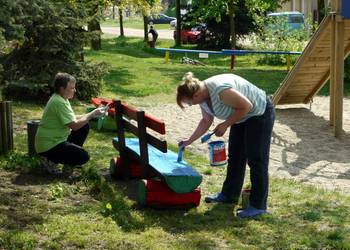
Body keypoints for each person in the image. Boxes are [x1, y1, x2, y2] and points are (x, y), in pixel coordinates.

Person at [176, 72, 275, 218]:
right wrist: (189, 140)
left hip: (259, 113)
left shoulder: (221, 91)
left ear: (196, 95)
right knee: (235, 156)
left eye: (190, 103)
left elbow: (247, 106)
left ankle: (258, 206)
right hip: (241, 116)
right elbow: (206, 120)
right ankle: (229, 194)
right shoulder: (202, 96)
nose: (191, 105)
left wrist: (225, 124)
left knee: (256, 159)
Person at [35, 72, 105, 176]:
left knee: (84, 126)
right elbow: (74, 125)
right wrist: (92, 114)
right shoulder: (58, 102)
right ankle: (49, 160)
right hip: (49, 146)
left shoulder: (62, 98)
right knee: (83, 156)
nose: (75, 90)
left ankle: (66, 163)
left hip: (56, 141)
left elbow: (72, 119)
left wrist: (92, 113)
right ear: (62, 89)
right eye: (72, 88)